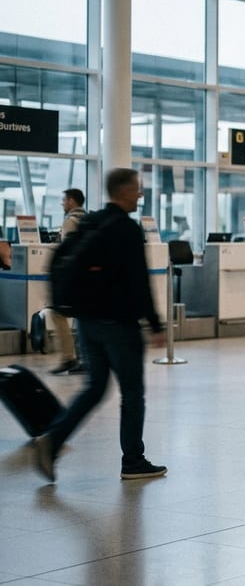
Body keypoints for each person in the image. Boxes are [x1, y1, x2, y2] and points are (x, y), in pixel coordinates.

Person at [33, 168, 167, 482]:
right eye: (137, 189)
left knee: (94, 388)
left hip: (88, 323)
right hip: (119, 325)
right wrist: (156, 323)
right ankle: (133, 461)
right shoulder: (127, 229)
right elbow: (139, 282)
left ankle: (52, 441)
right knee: (132, 393)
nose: (141, 194)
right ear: (122, 192)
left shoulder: (90, 222)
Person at [49, 188, 88, 375]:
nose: (62, 203)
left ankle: (69, 358)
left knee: (59, 314)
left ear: (72, 201)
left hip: (73, 278)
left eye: (64, 200)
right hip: (87, 278)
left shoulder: (70, 221)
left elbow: (67, 251)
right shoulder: (89, 220)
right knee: (81, 317)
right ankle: (81, 358)